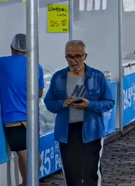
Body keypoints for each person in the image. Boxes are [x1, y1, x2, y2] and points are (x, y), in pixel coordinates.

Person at [44, 40, 115, 186]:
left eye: (77, 56)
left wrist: (90, 105)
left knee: (91, 172)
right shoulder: (58, 77)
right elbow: (49, 102)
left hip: (92, 130)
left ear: (85, 56)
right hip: (67, 131)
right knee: (71, 173)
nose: (73, 60)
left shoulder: (97, 76)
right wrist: (62, 103)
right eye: (69, 56)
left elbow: (109, 102)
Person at [0, 33, 45, 180]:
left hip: (12, 118)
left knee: (24, 154)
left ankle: (30, 182)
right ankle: (32, 181)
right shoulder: (36, 65)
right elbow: (39, 93)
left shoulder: (2, 63)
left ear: (12, 47)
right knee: (33, 153)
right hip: (31, 119)